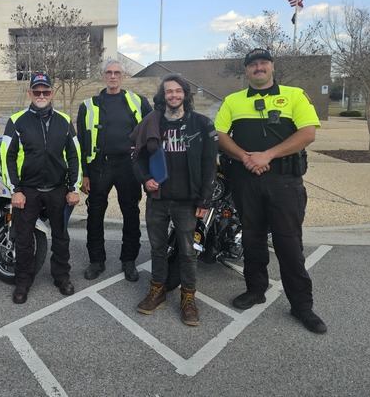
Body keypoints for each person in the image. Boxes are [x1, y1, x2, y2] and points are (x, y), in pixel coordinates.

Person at [214, 48, 327, 334]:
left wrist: (267, 155)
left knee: (288, 245)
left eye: (263, 62)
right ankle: (255, 290)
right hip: (246, 180)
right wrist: (246, 157)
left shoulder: (294, 95)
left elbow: (308, 133)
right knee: (252, 239)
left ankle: (302, 306)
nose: (259, 67)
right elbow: (221, 134)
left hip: (284, 182)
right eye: (253, 64)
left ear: (272, 66)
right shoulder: (233, 100)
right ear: (246, 70)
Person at [130, 75, 217, 326]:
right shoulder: (152, 123)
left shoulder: (201, 123)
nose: (174, 95)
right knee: (157, 248)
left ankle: (188, 298)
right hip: (158, 198)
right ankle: (157, 291)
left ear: (185, 95)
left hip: (187, 200)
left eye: (178, 91)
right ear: (163, 96)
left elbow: (209, 164)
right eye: (169, 91)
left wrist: (205, 200)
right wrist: (145, 179)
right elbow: (137, 157)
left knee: (188, 252)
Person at [0, 74, 81, 304]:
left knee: (61, 237)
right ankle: (23, 281)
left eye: (46, 91)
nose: (41, 95)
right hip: (27, 190)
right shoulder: (16, 121)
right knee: (24, 238)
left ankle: (61, 276)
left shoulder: (64, 120)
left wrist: (73, 187)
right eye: (37, 92)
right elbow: (7, 157)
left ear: (52, 93)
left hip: (57, 189)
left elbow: (74, 155)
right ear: (30, 94)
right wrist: (15, 190)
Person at [76, 58, 152, 282]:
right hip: (99, 166)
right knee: (95, 214)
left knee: (131, 213)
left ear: (123, 76)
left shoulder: (138, 101)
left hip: (128, 165)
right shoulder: (88, 105)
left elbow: (152, 130)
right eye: (109, 72)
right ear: (103, 76)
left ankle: (128, 260)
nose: (112, 76)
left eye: (117, 73)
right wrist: (84, 174)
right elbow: (82, 142)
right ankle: (96, 261)